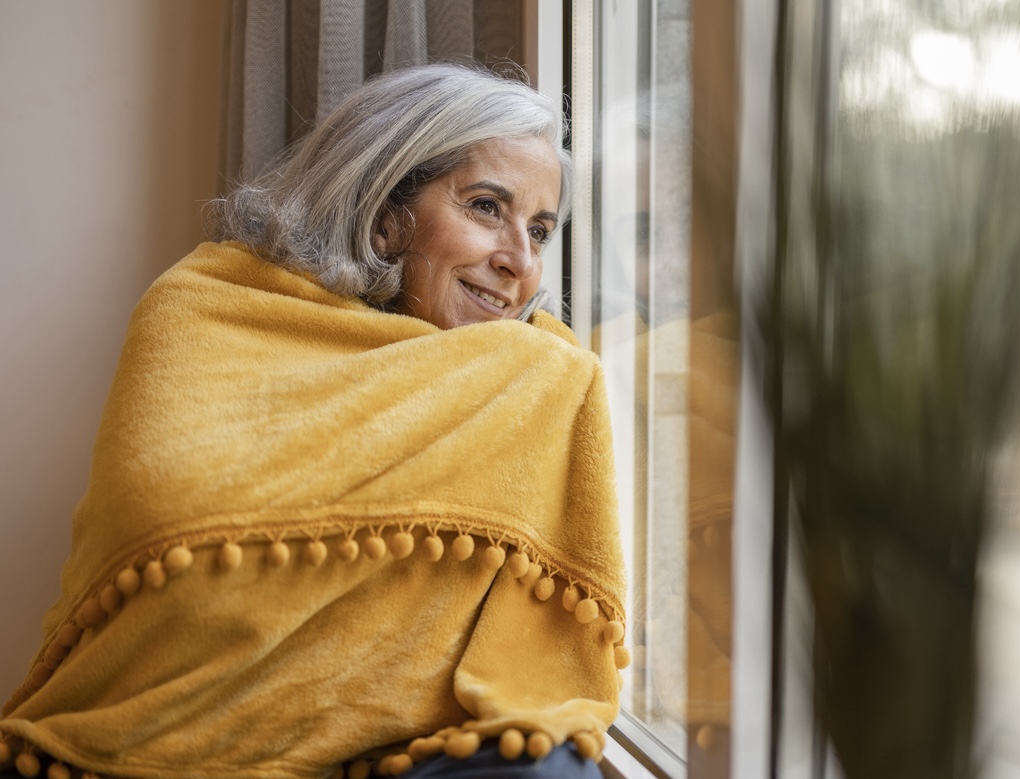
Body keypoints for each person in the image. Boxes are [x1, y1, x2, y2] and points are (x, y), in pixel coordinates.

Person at [0, 64, 628, 779]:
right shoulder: (207, 304)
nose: (521, 262)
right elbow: (167, 519)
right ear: (385, 210)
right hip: (131, 747)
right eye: (487, 207)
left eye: (540, 229)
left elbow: (525, 651)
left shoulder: (533, 377)